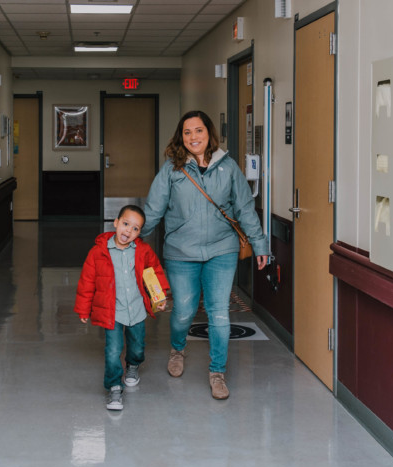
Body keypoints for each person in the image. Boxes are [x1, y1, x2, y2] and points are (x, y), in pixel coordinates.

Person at [142, 110, 270, 400]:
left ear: (209, 133)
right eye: (187, 132)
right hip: (180, 251)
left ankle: (217, 372)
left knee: (219, 313)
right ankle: (177, 349)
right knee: (184, 311)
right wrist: (128, 239)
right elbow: (153, 210)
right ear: (181, 137)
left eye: (198, 131)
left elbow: (245, 209)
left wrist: (260, 244)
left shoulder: (228, 168)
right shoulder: (171, 169)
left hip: (221, 249)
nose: (193, 137)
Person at [74, 205, 169, 411]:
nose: (128, 231)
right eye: (126, 224)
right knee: (113, 350)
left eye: (135, 229)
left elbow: (154, 273)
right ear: (116, 223)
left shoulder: (143, 251)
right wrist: (84, 309)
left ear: (139, 233)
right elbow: (87, 281)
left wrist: (159, 296)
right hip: (112, 312)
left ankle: (133, 365)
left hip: (136, 309)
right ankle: (114, 387)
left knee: (137, 347)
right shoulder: (98, 252)